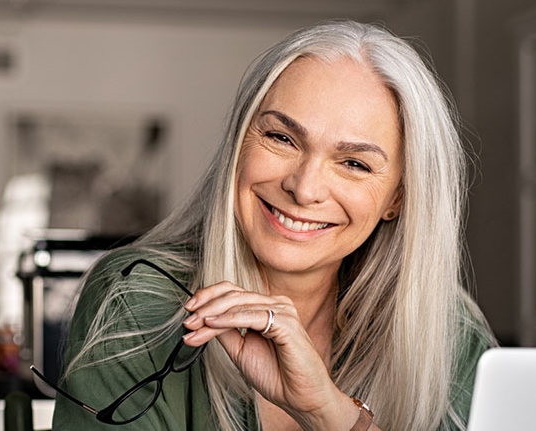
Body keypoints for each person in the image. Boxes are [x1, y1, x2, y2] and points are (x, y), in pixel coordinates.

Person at [41, 20, 495, 431]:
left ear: (397, 197)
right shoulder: (138, 296)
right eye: (281, 137)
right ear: (239, 143)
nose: (304, 187)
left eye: (354, 163)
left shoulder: (446, 330)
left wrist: (329, 414)